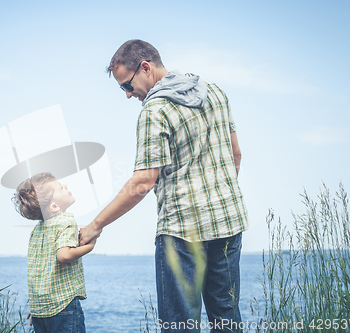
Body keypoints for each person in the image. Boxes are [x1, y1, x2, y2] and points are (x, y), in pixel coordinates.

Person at [79, 39, 249, 332]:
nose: (128, 95)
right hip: (229, 223)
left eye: (126, 86)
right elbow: (236, 154)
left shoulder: (154, 110)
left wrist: (96, 225)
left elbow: (143, 181)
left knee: (179, 325)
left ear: (146, 68)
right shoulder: (215, 92)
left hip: (182, 233)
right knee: (227, 319)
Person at [14, 172, 95, 333]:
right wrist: (90, 246)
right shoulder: (66, 221)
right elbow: (63, 255)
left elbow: (39, 271)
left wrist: (39, 309)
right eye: (60, 187)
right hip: (63, 306)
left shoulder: (37, 230)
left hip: (40, 309)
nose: (65, 186)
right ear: (54, 207)